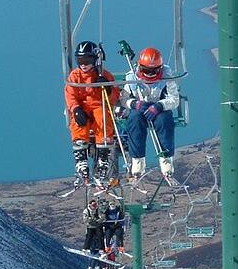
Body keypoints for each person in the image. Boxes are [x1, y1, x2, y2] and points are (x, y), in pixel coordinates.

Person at [65, 41, 121, 187]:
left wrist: (107, 89)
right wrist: (76, 109)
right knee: (78, 124)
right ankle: (81, 159)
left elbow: (114, 95)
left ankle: (103, 157)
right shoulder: (75, 76)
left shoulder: (103, 74)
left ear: (94, 60)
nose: (83, 64)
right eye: (80, 61)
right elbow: (70, 94)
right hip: (82, 107)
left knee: (103, 119)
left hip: (98, 105)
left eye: (87, 61)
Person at [120, 46, 179, 181]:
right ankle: (137, 160)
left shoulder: (166, 77)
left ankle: (166, 159)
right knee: (134, 120)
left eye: (153, 71)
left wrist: (160, 105)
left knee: (164, 121)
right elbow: (123, 99)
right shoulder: (132, 77)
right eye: (146, 71)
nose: (150, 75)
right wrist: (135, 104)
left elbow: (174, 99)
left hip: (159, 110)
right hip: (140, 110)